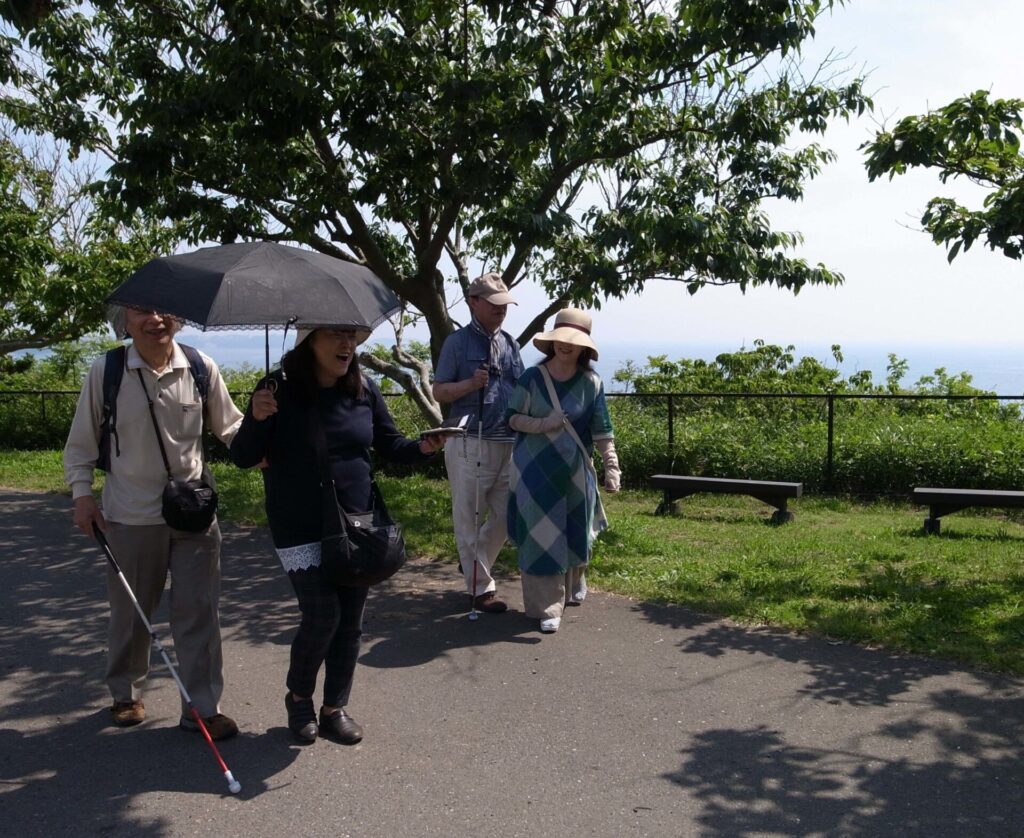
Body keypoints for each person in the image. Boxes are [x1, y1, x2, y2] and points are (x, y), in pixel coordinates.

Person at [229, 327, 446, 744]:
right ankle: (299, 698)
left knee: (349, 621)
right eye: (335, 335)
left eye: (352, 336)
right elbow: (243, 456)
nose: (347, 344)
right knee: (322, 615)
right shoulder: (276, 389)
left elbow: (390, 445)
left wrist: (424, 447)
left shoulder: (364, 389)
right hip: (299, 523)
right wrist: (256, 418)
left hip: (355, 521)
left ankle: (334, 708)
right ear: (309, 340)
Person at [64, 306, 244, 738]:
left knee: (199, 611)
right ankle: (126, 694)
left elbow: (231, 427)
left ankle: (203, 707)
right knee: (130, 611)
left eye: (164, 310)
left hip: (194, 513)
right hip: (129, 515)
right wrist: (82, 496)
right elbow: (82, 442)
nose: (155, 319)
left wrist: (265, 436)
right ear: (124, 321)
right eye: (142, 311)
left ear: (178, 319)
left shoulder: (199, 367)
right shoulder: (107, 371)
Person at [506, 308, 621, 633]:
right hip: (534, 473)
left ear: (584, 347)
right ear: (551, 341)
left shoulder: (591, 383)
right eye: (560, 339)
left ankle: (569, 589)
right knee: (540, 539)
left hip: (575, 473)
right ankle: (546, 607)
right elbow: (511, 418)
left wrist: (612, 467)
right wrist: (545, 424)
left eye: (573, 341)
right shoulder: (532, 378)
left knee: (574, 532)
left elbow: (602, 430)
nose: (565, 345)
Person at [432, 272, 525, 614]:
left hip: (508, 441)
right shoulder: (457, 343)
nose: (502, 309)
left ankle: (472, 562)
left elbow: (521, 390)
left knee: (507, 515)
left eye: (505, 304)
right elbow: (439, 391)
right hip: (469, 440)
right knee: (468, 517)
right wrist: (470, 384)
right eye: (494, 304)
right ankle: (480, 588)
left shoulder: (511, 344)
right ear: (473, 302)